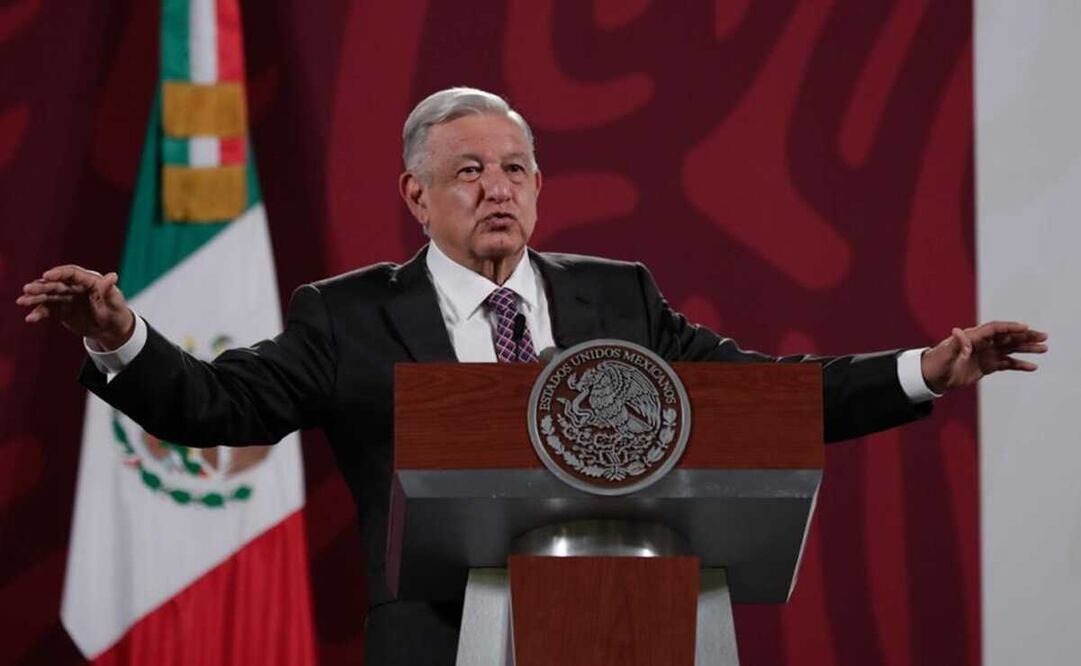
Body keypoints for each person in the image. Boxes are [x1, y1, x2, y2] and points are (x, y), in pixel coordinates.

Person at [17, 87, 1048, 665]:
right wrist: (123, 336)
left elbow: (766, 399)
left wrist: (928, 368)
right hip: (434, 635)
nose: (496, 188)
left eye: (514, 168)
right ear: (415, 196)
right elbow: (217, 407)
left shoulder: (618, 300)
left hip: (626, 624)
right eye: (468, 170)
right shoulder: (349, 315)